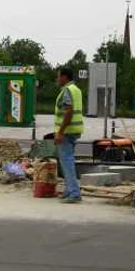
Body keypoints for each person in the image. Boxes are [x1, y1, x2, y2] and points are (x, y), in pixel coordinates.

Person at [55, 68, 84, 203]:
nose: (57, 79)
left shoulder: (67, 91)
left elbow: (69, 111)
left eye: (59, 76)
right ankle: (69, 190)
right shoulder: (76, 89)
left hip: (66, 132)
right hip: (74, 130)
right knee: (68, 161)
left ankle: (74, 193)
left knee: (67, 162)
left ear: (64, 77)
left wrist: (60, 132)